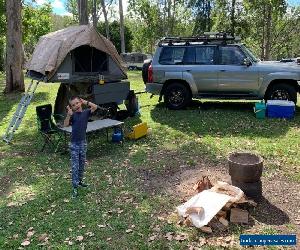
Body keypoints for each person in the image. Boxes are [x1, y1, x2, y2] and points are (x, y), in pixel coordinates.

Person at [63, 96, 98, 198]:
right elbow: (65, 125)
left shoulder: (86, 113)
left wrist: (86, 102)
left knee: (82, 163)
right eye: (73, 105)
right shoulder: (73, 115)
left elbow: (95, 107)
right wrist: (68, 115)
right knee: (75, 166)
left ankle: (80, 181)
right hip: (74, 144)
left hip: (83, 143)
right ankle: (74, 187)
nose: (76, 105)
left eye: (77, 103)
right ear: (71, 108)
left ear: (80, 103)